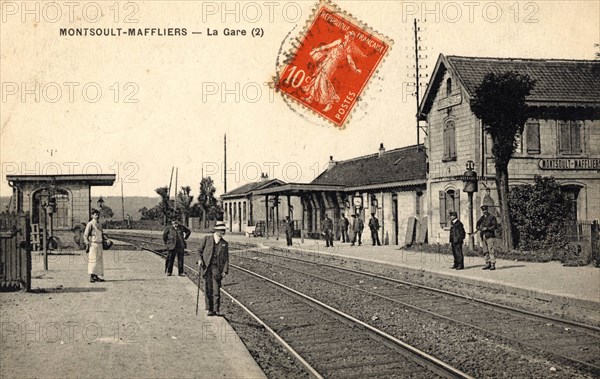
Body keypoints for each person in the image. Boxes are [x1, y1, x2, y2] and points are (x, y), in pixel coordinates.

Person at [303, 31, 366, 112]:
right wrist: (317, 49)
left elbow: (350, 61)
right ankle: (311, 98)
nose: (347, 37)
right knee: (318, 77)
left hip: (333, 64)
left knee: (323, 79)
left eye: (349, 36)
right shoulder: (339, 41)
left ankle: (329, 102)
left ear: (351, 38)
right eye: (347, 35)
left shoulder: (348, 48)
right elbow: (328, 46)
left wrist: (355, 69)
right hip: (328, 60)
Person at [198, 222, 229, 316]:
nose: (223, 232)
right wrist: (200, 260)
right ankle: (209, 309)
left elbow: (226, 258)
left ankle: (216, 309)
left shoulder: (224, 243)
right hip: (206, 268)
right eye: (221, 231)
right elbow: (199, 250)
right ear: (216, 231)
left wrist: (224, 270)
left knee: (216, 289)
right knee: (207, 289)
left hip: (217, 269)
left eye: (224, 231)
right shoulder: (207, 239)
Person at [83, 209, 105, 283]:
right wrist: (87, 244)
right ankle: (91, 276)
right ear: (92, 215)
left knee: (99, 261)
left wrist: (106, 240)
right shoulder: (90, 224)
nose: (97, 216)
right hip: (93, 244)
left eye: (98, 214)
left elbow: (102, 234)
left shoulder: (100, 225)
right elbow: (85, 235)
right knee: (93, 260)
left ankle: (96, 276)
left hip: (100, 244)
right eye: (95, 214)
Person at [476, 205, 498, 270]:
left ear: (487, 210)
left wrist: (487, 228)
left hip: (490, 236)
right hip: (483, 236)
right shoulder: (482, 218)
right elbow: (477, 224)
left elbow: (495, 226)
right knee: (485, 251)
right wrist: (478, 227)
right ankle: (487, 263)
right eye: (483, 210)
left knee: (491, 250)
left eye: (485, 210)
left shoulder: (492, 217)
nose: (484, 211)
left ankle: (493, 264)